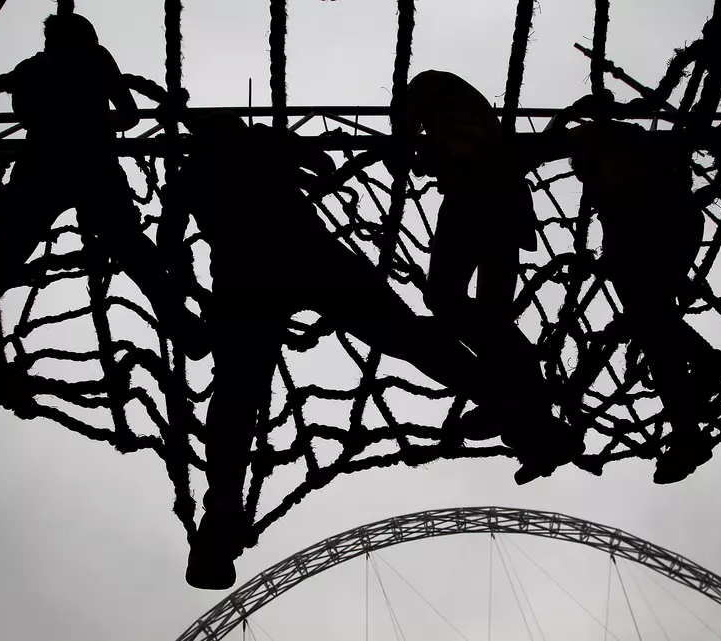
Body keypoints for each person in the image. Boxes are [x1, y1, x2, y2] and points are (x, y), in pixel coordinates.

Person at [170, 114, 559, 590]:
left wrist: (184, 309)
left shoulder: (191, 172)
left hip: (245, 274)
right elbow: (317, 162)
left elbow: (168, 247)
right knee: (405, 337)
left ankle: (222, 512)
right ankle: (516, 410)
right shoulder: (256, 145)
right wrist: (287, 155)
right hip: (306, 253)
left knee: (237, 392)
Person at [0, 13, 208, 392]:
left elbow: (23, 111)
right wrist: (97, 121)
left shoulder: (32, 67)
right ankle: (179, 321)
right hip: (93, 166)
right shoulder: (98, 59)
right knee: (131, 250)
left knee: (1, 258)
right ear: (87, 37)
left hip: (40, 168)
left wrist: (54, 114)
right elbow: (130, 116)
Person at [390, 70, 583, 484]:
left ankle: (527, 412)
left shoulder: (437, 96)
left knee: (446, 299)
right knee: (486, 312)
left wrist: (406, 148)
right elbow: (434, 145)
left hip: (477, 196)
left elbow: (419, 139)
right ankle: (531, 419)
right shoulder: (463, 115)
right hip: (504, 203)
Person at [529, 94, 721, 484]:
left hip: (642, 224)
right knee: (652, 317)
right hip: (667, 221)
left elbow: (543, 146)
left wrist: (566, 114)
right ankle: (704, 368)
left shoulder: (595, 138)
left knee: (652, 325)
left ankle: (690, 430)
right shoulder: (633, 137)